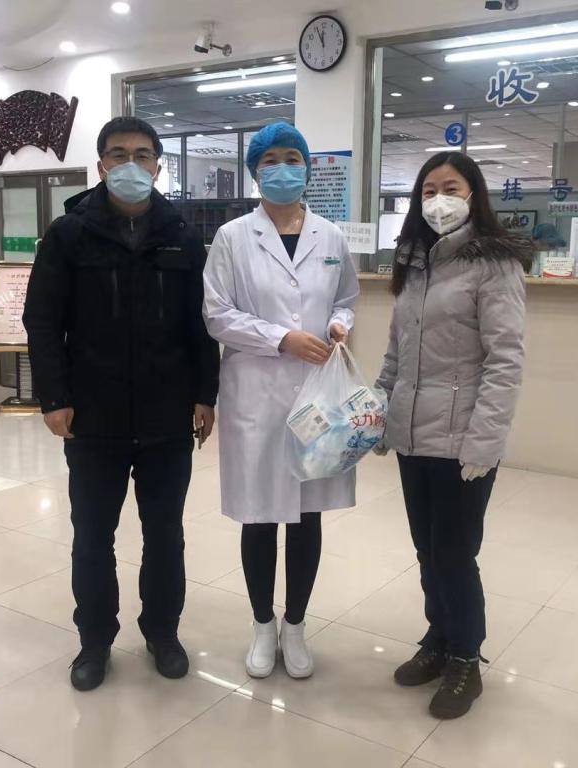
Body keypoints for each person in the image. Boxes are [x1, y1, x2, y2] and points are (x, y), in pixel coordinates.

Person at [23, 117, 220, 692]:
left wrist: (205, 394)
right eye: (118, 154)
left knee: (165, 535)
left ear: (158, 165)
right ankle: (94, 641)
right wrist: (54, 397)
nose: (130, 164)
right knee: (92, 537)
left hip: (166, 416)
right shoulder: (69, 234)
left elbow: (202, 323)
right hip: (93, 415)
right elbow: (42, 321)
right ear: (101, 164)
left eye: (142, 154)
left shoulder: (182, 235)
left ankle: (162, 632)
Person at [375, 151, 530, 720]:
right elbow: (396, 353)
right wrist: (378, 411)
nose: (438, 199)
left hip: (463, 439)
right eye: (428, 190)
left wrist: (484, 442)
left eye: (451, 188)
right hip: (413, 435)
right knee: (426, 548)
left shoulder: (493, 264)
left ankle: (466, 656)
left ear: (473, 195)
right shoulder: (414, 262)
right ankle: (438, 638)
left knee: (455, 552)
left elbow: (505, 360)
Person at [203, 122, 359, 680]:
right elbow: (216, 314)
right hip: (257, 393)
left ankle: (295, 625)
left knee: (306, 514)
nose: (283, 169)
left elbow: (346, 298)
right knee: (260, 514)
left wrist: (339, 325)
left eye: (292, 158)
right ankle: (262, 626)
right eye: (270, 160)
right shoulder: (232, 237)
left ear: (308, 168)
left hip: (317, 395)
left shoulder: (330, 236)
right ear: (255, 171)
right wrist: (280, 338)